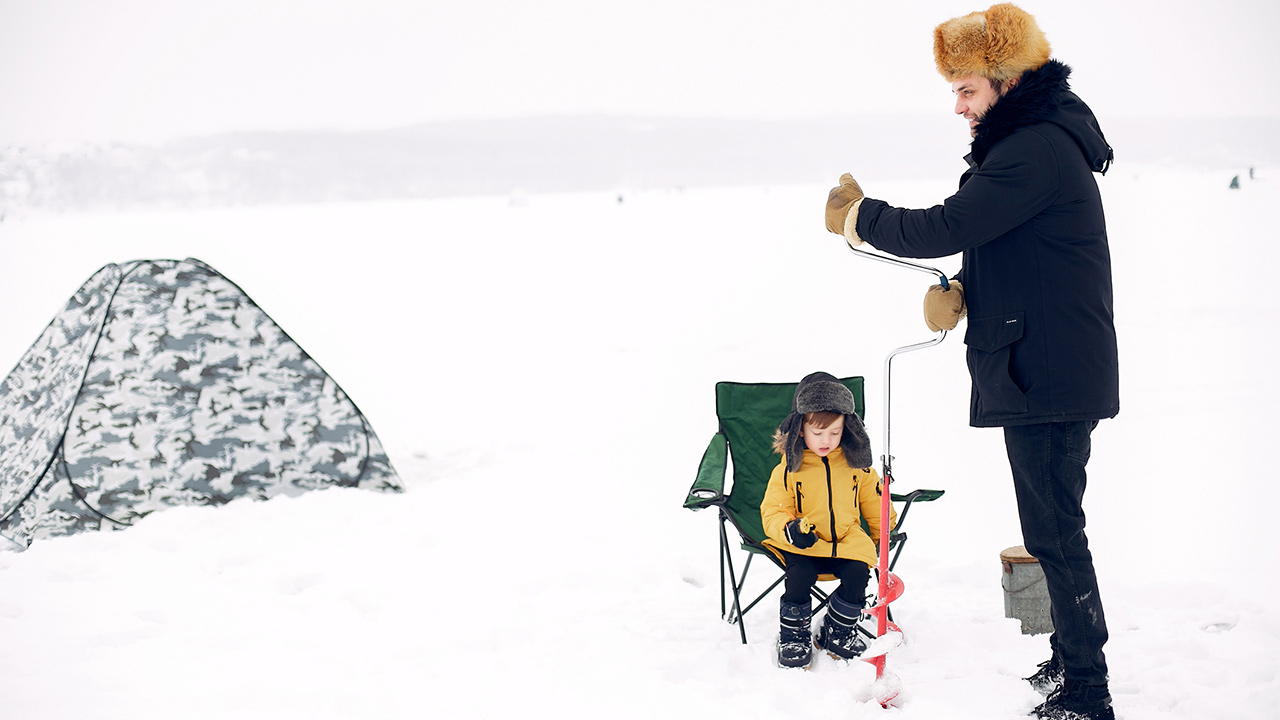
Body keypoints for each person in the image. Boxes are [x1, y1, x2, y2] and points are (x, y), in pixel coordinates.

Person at [823, 5, 1118, 719]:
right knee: (1053, 529)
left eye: (966, 89)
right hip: (1045, 363)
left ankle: (1088, 692)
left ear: (1008, 80)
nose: (957, 106)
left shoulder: (1034, 149)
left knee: (1056, 533)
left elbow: (951, 224)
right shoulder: (1033, 143)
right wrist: (965, 291)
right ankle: (1071, 659)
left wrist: (862, 220)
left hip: (1047, 372)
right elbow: (1006, 245)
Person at [759, 371, 895, 669]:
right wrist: (790, 530)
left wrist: (884, 529)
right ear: (800, 430)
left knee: (859, 575)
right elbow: (773, 509)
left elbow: (872, 500)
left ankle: (836, 628)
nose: (826, 440)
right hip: (805, 544)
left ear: (846, 429)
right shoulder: (789, 469)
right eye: (817, 433)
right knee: (799, 578)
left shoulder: (855, 465)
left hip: (847, 541)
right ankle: (793, 636)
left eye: (834, 433)